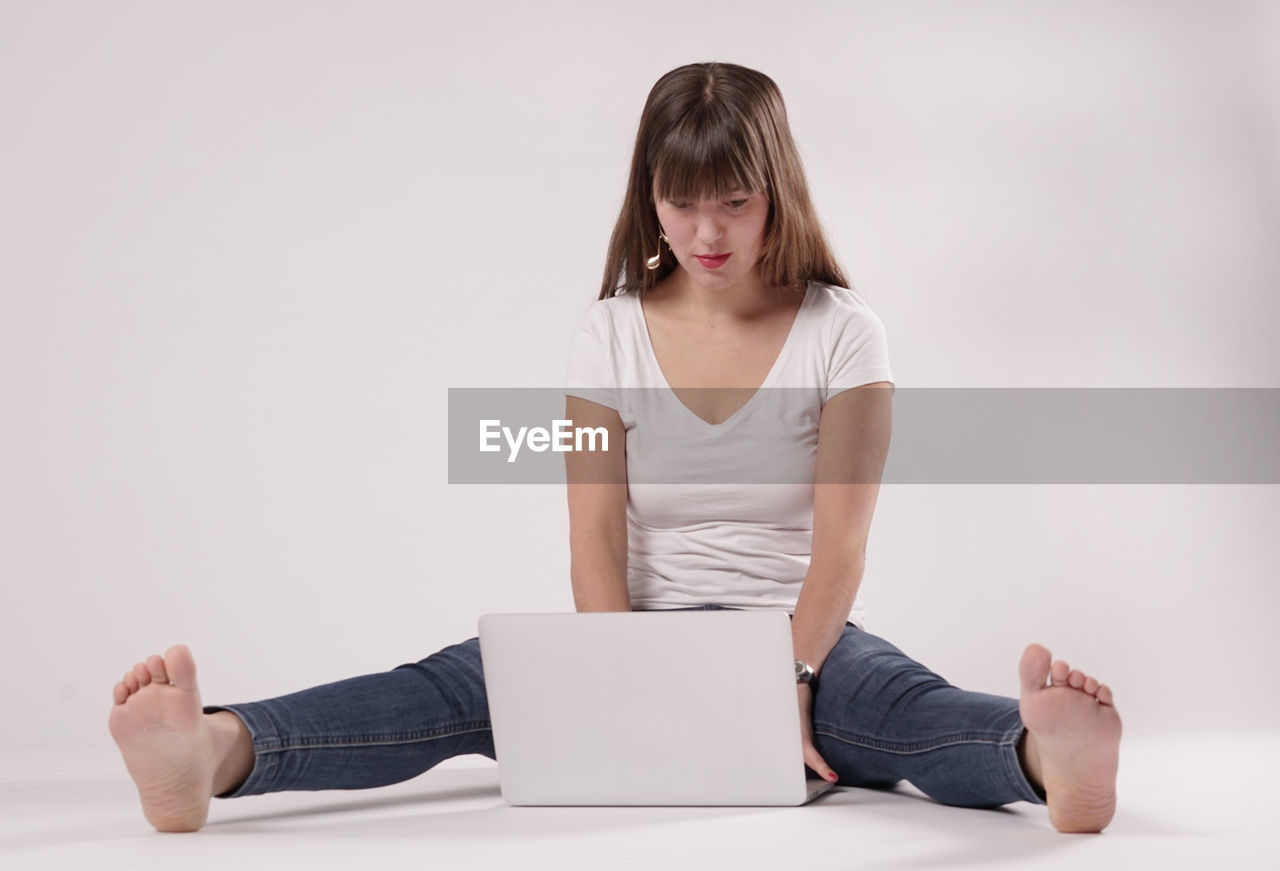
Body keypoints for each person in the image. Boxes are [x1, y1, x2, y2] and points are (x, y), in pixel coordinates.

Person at [108, 61, 1122, 835]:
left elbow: (841, 546)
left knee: (902, 717)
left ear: (777, 191)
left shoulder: (843, 332)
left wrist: (790, 684)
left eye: (733, 200)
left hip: (799, 637)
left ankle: (1041, 755)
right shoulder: (608, 330)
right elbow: (592, 536)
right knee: (444, 691)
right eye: (681, 200)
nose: (706, 229)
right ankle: (211, 750)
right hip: (631, 630)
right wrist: (624, 684)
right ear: (649, 193)